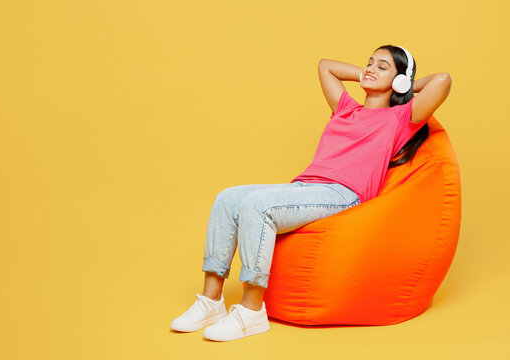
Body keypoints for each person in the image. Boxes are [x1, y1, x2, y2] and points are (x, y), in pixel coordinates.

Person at [170, 44, 452, 341]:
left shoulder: (400, 119)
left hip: (342, 193)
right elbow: (325, 66)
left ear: (399, 80)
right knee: (227, 198)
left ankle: (252, 310)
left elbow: (443, 80)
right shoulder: (345, 109)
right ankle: (211, 301)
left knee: (257, 206)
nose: (370, 68)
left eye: (382, 66)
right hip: (306, 186)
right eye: (369, 62)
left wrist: (406, 84)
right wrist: (366, 74)